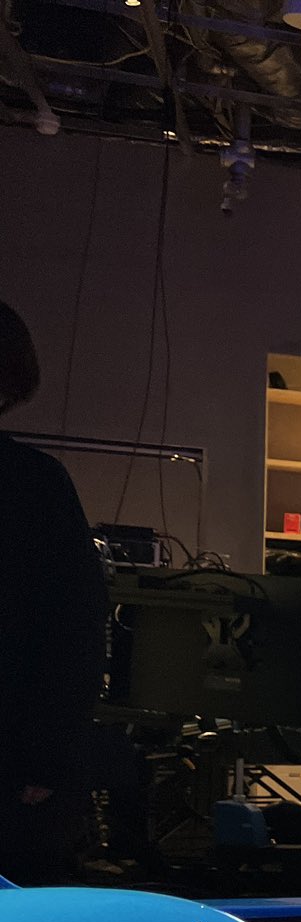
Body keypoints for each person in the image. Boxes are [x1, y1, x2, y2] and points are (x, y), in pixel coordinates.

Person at [0, 301, 108, 886]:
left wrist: (45, 760)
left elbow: (73, 632)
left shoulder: (35, 486)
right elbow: (76, 632)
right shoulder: (36, 483)